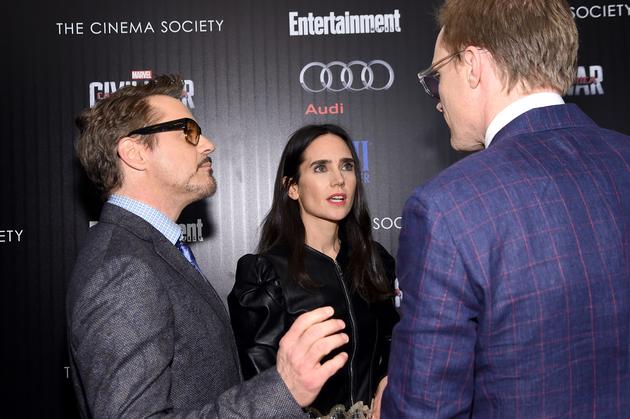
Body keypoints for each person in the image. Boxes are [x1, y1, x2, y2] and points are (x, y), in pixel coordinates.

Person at [381, 0, 630, 417]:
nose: (438, 99)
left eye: (437, 76)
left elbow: (425, 410)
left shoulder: (445, 209)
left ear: (472, 65)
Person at [66, 75, 350, 418]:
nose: (208, 145)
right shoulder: (124, 269)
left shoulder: (148, 250)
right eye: (188, 132)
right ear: (134, 152)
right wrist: (283, 388)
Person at [228, 124, 399, 417]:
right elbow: (262, 386)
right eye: (321, 168)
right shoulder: (265, 273)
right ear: (292, 187)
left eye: (346, 166)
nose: (338, 179)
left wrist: (387, 378)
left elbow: (395, 338)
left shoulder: (374, 260)